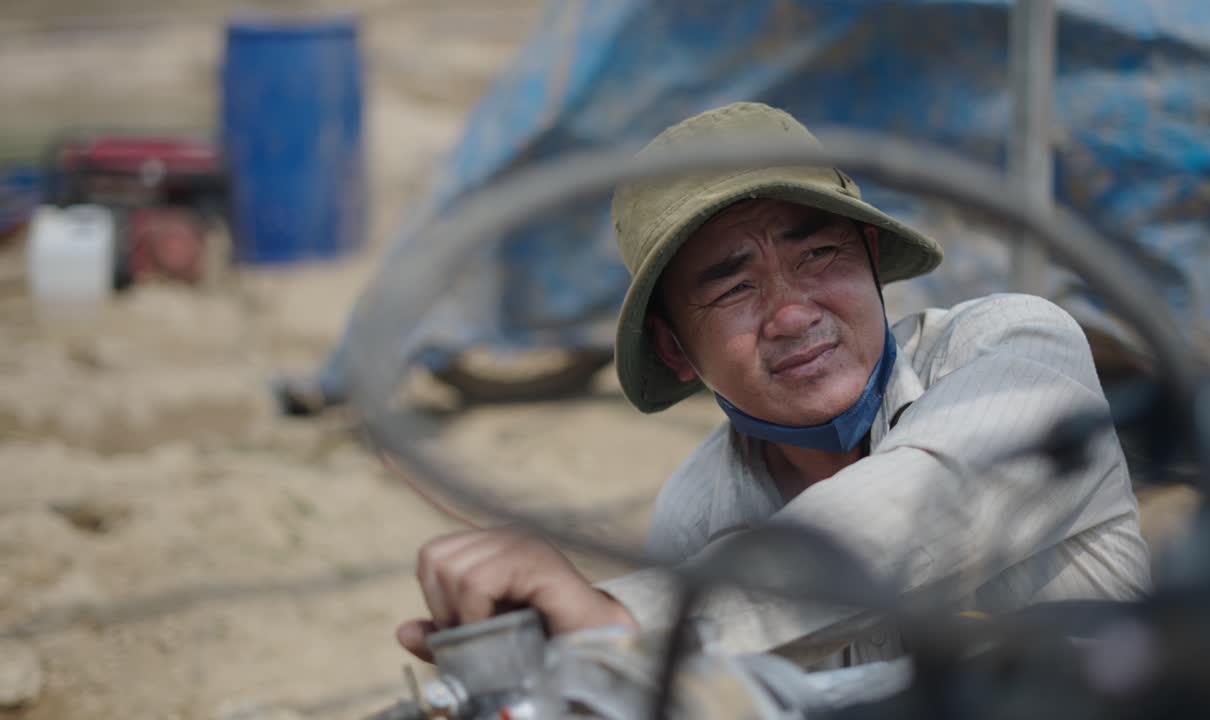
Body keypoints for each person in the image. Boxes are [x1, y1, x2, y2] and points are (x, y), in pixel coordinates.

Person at [396, 102, 1150, 668]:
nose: (792, 312)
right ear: (674, 348)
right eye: (732, 289)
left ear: (870, 255)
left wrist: (617, 621)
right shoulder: (697, 515)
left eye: (819, 253)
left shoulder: (1019, 347)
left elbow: (913, 511)